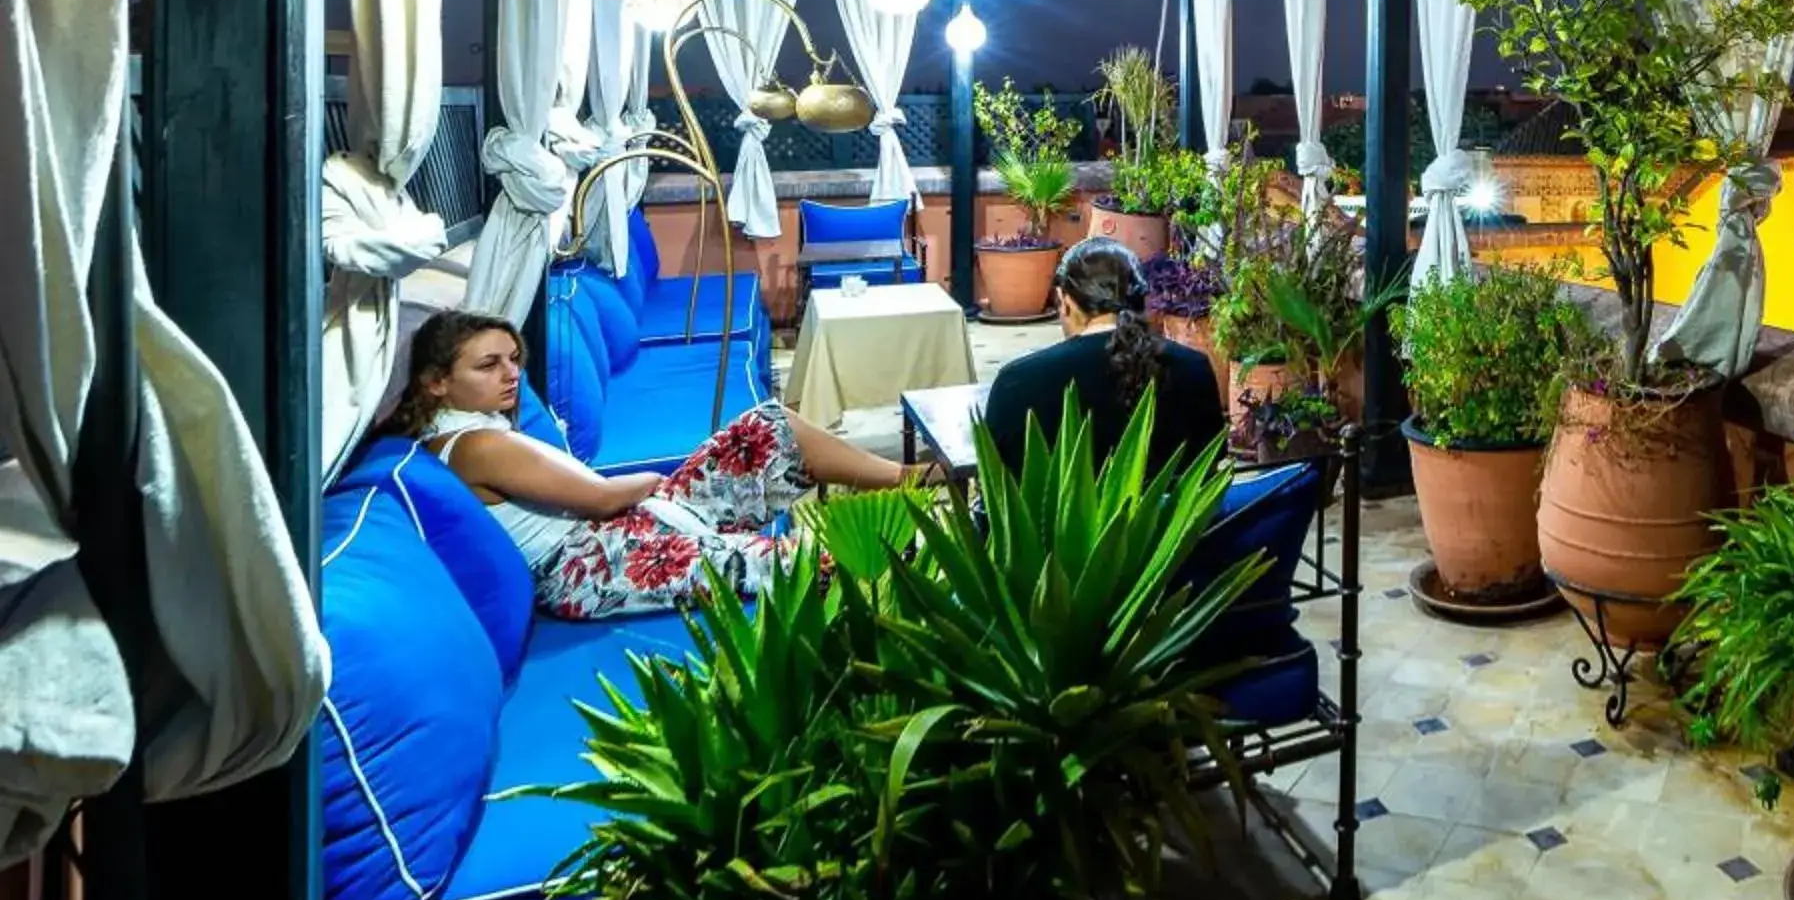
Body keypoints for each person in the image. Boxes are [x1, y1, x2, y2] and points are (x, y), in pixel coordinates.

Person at [379, 309, 913, 621]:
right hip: (590, 564)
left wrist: (644, 495)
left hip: (611, 531)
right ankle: (924, 559)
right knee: (800, 562)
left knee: (768, 428)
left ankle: (904, 481)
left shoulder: (466, 431)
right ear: (435, 382)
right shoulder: (477, 445)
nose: (511, 374)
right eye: (489, 365)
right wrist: (652, 483)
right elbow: (603, 497)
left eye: (514, 359)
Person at [979, 238, 1227, 474]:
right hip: (1175, 518)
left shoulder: (1017, 382)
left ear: (1065, 301)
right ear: (1142, 299)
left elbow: (996, 483)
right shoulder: (1194, 367)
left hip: (1054, 520)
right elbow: (1209, 463)